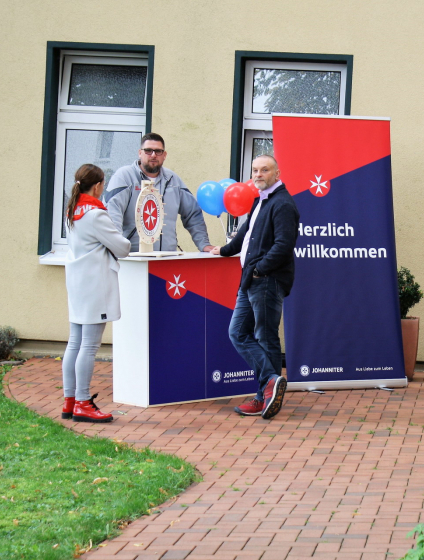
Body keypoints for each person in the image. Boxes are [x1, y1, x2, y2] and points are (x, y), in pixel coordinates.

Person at [211, 155, 299, 419]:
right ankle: (271, 381)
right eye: (255, 170)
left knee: (266, 337)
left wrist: (260, 269)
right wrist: (223, 250)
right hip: (251, 279)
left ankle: (264, 397)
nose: (258, 174)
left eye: (265, 170)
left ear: (277, 173)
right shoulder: (261, 200)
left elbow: (284, 246)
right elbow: (245, 235)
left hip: (266, 280)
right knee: (238, 332)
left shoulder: (283, 204)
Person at [62, 164, 131, 423]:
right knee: (89, 346)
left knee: (75, 343)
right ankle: (82, 402)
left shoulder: (72, 210)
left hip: (78, 283)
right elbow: (122, 247)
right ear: (99, 185)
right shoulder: (95, 214)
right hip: (95, 284)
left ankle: (70, 400)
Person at [105, 132, 214, 253]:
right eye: (148, 151)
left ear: (164, 155)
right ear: (140, 153)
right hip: (132, 258)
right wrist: (117, 248)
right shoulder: (124, 176)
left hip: (167, 258)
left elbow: (193, 213)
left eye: (158, 151)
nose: (153, 155)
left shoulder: (173, 180)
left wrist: (204, 244)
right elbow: (112, 213)